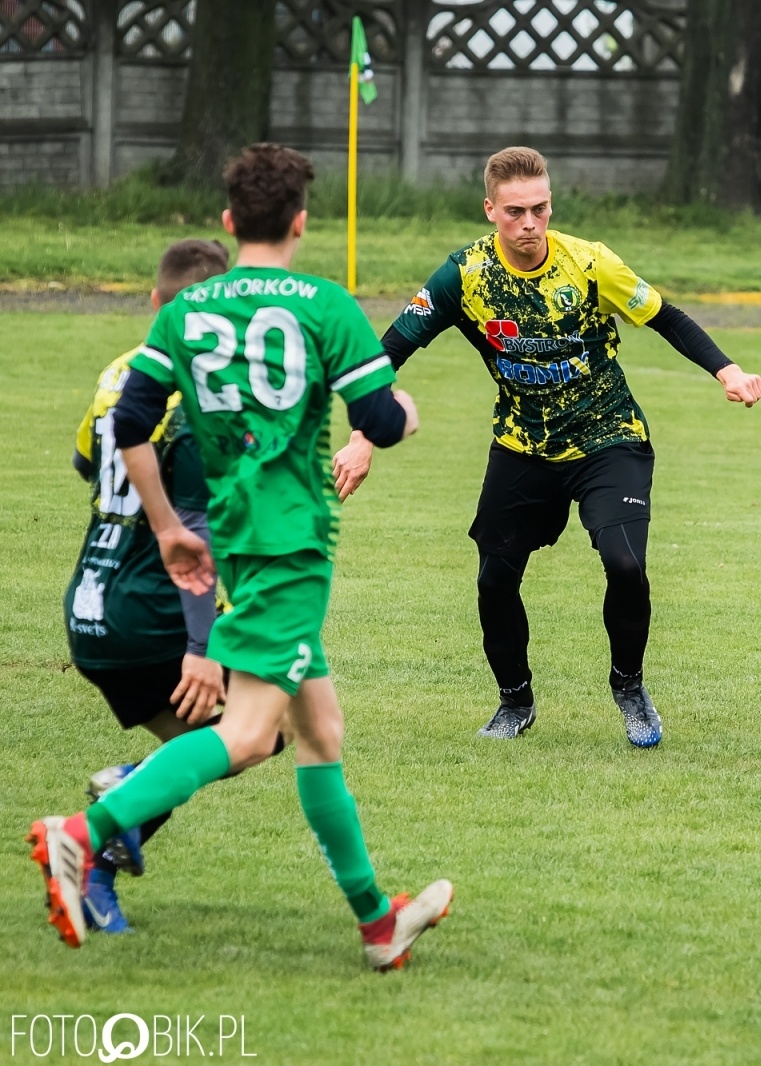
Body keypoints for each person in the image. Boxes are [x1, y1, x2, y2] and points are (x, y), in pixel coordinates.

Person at [29, 143, 453, 970]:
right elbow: (381, 420)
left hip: (237, 543)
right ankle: (83, 832)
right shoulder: (325, 305)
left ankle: (377, 923)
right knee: (251, 734)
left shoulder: (185, 311)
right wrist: (405, 407)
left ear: (229, 220)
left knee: (319, 733)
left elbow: (131, 421)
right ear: (301, 222)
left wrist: (166, 527)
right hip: (291, 546)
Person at [332, 146, 761, 747]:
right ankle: (515, 701)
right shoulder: (464, 276)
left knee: (625, 564)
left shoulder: (589, 264)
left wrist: (727, 370)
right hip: (522, 444)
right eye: (515, 212)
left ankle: (629, 686)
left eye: (539, 209)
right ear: (491, 210)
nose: (530, 223)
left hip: (608, 437)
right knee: (494, 581)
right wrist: (362, 436)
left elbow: (665, 316)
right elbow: (390, 351)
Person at [63, 238, 288, 935]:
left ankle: (98, 862)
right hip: (152, 612)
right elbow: (195, 531)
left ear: (155, 302)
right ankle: (113, 810)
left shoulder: (118, 372)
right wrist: (201, 645)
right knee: (260, 730)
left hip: (89, 605)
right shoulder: (200, 394)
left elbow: (85, 462)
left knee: (215, 741)